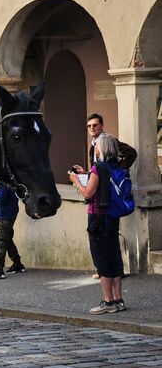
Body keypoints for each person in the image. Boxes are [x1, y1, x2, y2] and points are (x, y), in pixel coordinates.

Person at [73, 113, 136, 279]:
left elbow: (131, 153)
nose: (92, 128)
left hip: (108, 198)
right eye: (89, 126)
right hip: (100, 195)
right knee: (106, 237)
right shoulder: (93, 146)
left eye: (95, 125)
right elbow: (98, 172)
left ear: (101, 126)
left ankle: (112, 272)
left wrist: (118, 172)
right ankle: (107, 271)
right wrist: (86, 173)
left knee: (109, 236)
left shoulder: (108, 141)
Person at [69, 134, 127, 314]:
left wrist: (76, 181)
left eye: (96, 146)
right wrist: (85, 174)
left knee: (101, 258)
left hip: (97, 217)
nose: (94, 148)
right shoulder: (115, 165)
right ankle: (118, 299)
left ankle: (107, 301)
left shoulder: (98, 167)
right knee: (114, 255)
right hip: (112, 216)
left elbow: (88, 193)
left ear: (101, 148)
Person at [0, 182, 25, 280]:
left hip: (5, 215)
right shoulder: (11, 182)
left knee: (1, 241)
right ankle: (17, 264)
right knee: (7, 239)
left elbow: (1, 199)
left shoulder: (4, 183)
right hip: (11, 212)